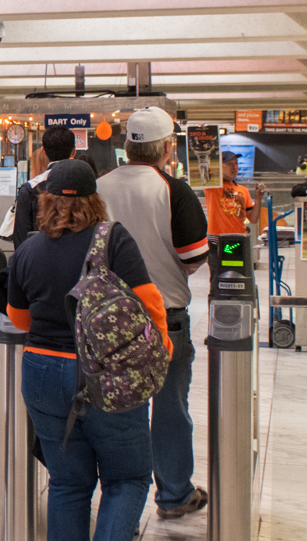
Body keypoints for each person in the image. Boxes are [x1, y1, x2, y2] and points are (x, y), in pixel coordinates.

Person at [7, 159, 172, 541]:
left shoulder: (29, 249)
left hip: (42, 373)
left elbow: (19, 318)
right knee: (127, 478)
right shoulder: (112, 239)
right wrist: (158, 349)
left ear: (45, 201)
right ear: (94, 200)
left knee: (67, 483)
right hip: (105, 375)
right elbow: (149, 304)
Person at [95, 107, 209, 520]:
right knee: (169, 409)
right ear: (166, 148)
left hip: (107, 319)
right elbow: (195, 256)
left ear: (128, 146)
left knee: (114, 405)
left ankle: (118, 489)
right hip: (164, 317)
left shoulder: (98, 185)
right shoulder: (174, 190)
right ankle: (174, 494)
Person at [205, 152, 266, 277]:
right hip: (218, 241)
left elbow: (253, 219)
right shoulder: (212, 187)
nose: (235, 167)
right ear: (219, 166)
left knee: (239, 277)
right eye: (229, 164)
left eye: (236, 164)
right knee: (218, 279)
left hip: (238, 241)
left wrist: (258, 199)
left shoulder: (243, 190)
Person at [13, 126, 75, 250]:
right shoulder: (84, 184)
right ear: (74, 151)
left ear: (44, 151)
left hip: (39, 261)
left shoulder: (30, 188)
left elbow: (21, 240)